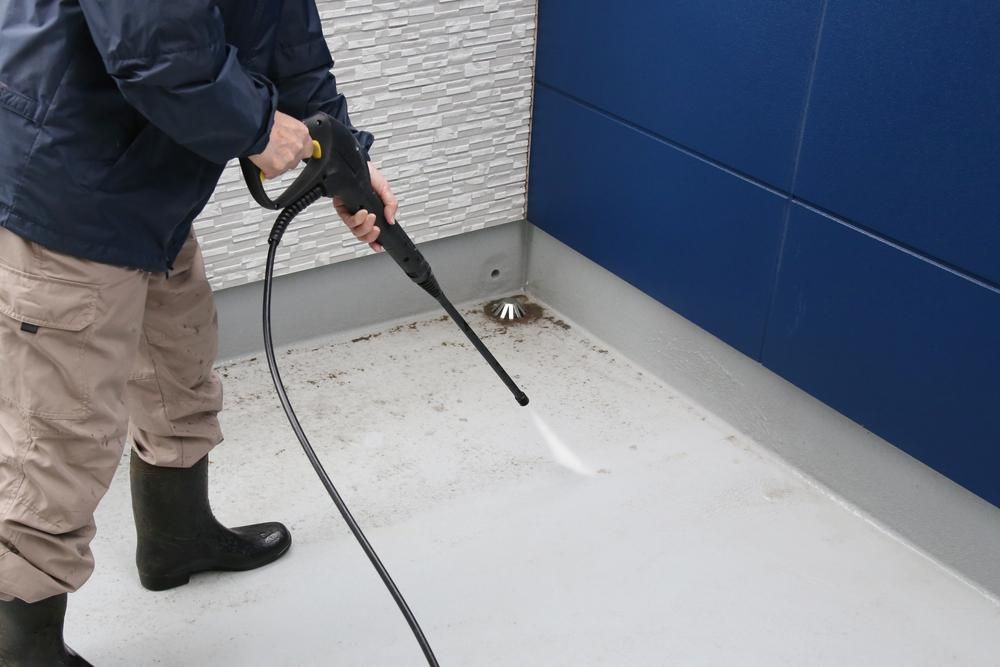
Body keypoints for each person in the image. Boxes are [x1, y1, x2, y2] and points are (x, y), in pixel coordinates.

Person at [0, 2, 397, 664]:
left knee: (176, 358)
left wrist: (347, 159)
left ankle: (175, 538)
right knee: (59, 435)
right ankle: (23, 652)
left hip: (146, 181)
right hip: (65, 187)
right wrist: (257, 126)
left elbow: (287, 33)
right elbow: (152, 44)